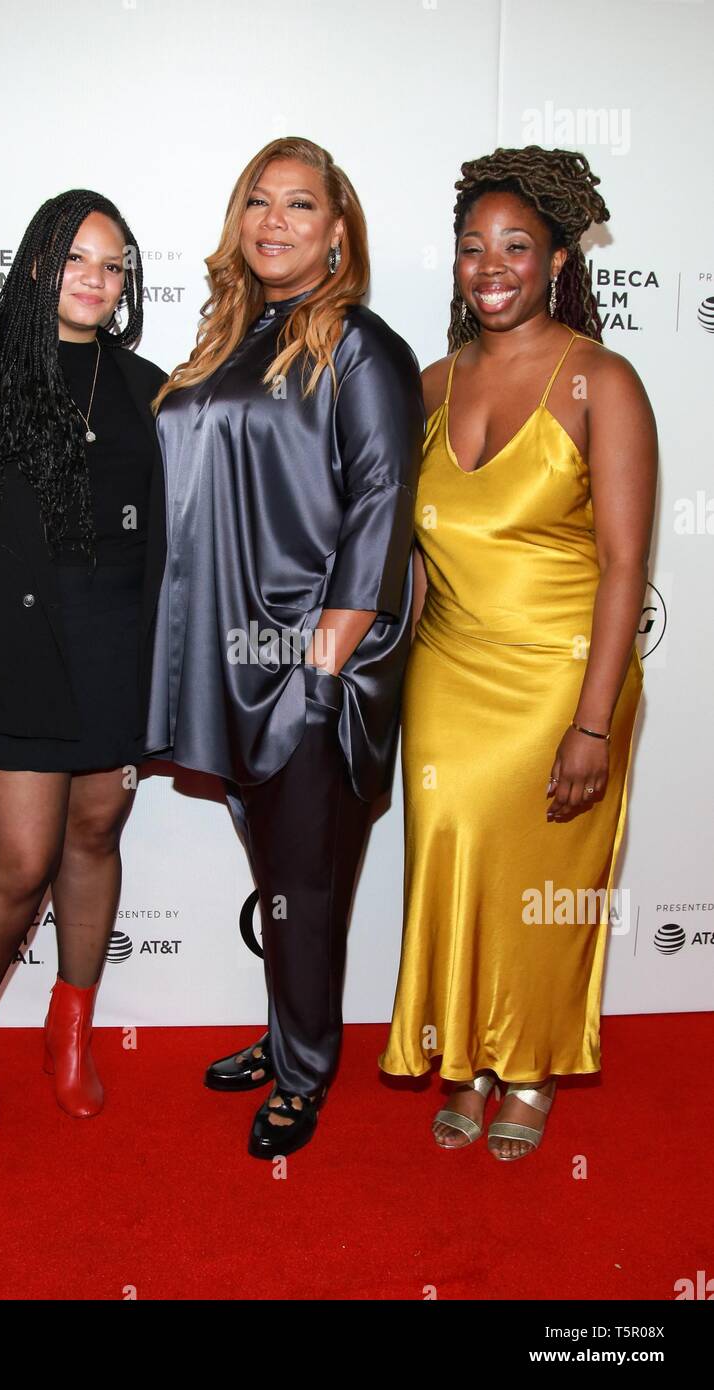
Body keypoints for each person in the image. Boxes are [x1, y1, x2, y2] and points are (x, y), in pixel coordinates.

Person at [141, 137, 424, 1159]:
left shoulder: (358, 344)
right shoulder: (226, 343)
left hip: (308, 669)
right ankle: (285, 1033)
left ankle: (303, 1073)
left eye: (299, 205)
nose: (274, 221)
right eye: (257, 202)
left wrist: (322, 661)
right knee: (277, 876)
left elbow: (383, 503)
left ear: (336, 231)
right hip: (225, 662)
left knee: (306, 885)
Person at [378, 146, 657, 1161]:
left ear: (551, 260)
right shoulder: (426, 382)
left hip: (563, 674)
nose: (488, 265)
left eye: (512, 246)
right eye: (469, 248)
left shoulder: (600, 381)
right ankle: (469, 1051)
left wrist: (592, 722)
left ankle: (530, 1064)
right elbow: (393, 542)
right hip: (449, 673)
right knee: (454, 860)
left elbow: (625, 562)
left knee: (546, 877)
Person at [0, 189, 167, 1135]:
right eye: (77, 261)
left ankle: (71, 1033)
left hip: (119, 652)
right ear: (35, 267)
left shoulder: (148, 389)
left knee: (94, 839)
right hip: (10, 653)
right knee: (17, 864)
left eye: (114, 267)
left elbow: (171, 544)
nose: (96, 281)